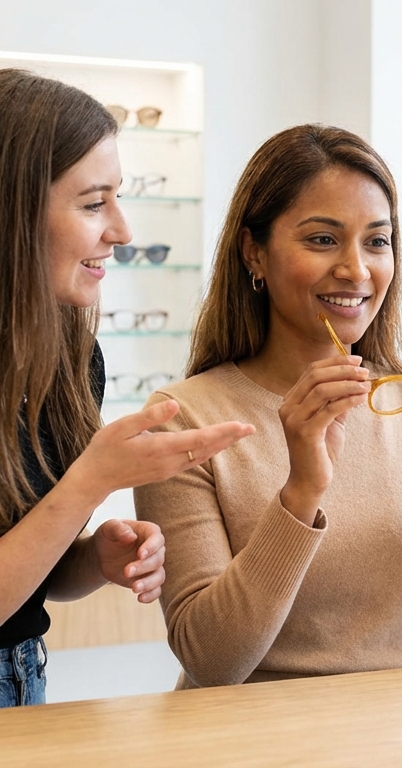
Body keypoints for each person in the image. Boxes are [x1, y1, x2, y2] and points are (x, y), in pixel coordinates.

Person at [132, 124, 402, 689]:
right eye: (323, 240)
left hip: (396, 739)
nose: (357, 269)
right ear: (255, 252)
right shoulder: (184, 420)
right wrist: (301, 494)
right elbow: (213, 662)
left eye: (377, 240)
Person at [0, 69, 254, 707]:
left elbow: (29, 580)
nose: (122, 230)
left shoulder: (71, 362)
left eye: (118, 197)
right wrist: (93, 478)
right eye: (93, 203)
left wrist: (92, 560)